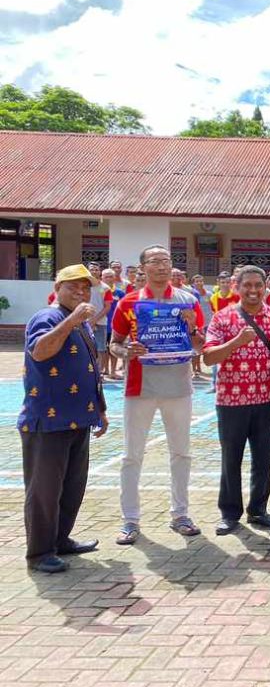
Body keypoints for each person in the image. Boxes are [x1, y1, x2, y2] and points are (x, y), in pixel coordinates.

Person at [110, 245, 206, 543]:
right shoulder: (128, 303)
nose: (161, 266)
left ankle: (180, 514)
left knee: (181, 453)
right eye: (154, 261)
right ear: (143, 268)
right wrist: (128, 351)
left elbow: (201, 347)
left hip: (178, 386)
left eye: (166, 261)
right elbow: (114, 344)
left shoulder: (188, 300)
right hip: (140, 387)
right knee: (131, 455)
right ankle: (130, 520)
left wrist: (192, 326)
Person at [19, 264, 108, 573]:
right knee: (44, 491)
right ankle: (39, 553)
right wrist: (71, 320)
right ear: (58, 289)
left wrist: (101, 408)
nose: (82, 293)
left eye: (86, 288)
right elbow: (41, 352)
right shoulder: (47, 317)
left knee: (72, 486)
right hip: (48, 421)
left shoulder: (83, 324)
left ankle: (60, 539)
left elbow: (91, 369)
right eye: (73, 287)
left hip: (78, 419)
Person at [202, 265, 270, 535]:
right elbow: (209, 357)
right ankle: (229, 512)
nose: (252, 290)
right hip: (231, 400)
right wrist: (236, 342)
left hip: (266, 398)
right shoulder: (222, 318)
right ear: (236, 287)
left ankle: (258, 509)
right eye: (246, 285)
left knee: (263, 457)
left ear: (265, 287)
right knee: (231, 458)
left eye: (257, 285)